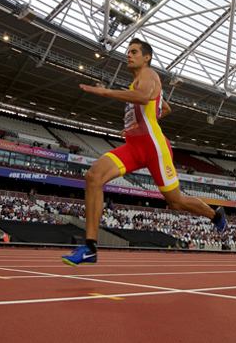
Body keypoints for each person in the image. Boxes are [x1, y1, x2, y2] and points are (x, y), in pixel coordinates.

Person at [62, 38, 227, 266]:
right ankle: (90, 247)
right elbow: (164, 107)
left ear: (146, 57)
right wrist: (134, 124)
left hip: (154, 148)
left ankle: (216, 215)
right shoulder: (136, 83)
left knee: (176, 202)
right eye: (127, 51)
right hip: (133, 146)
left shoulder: (149, 75)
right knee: (93, 177)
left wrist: (107, 93)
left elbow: (142, 98)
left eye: (134, 52)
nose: (128, 55)